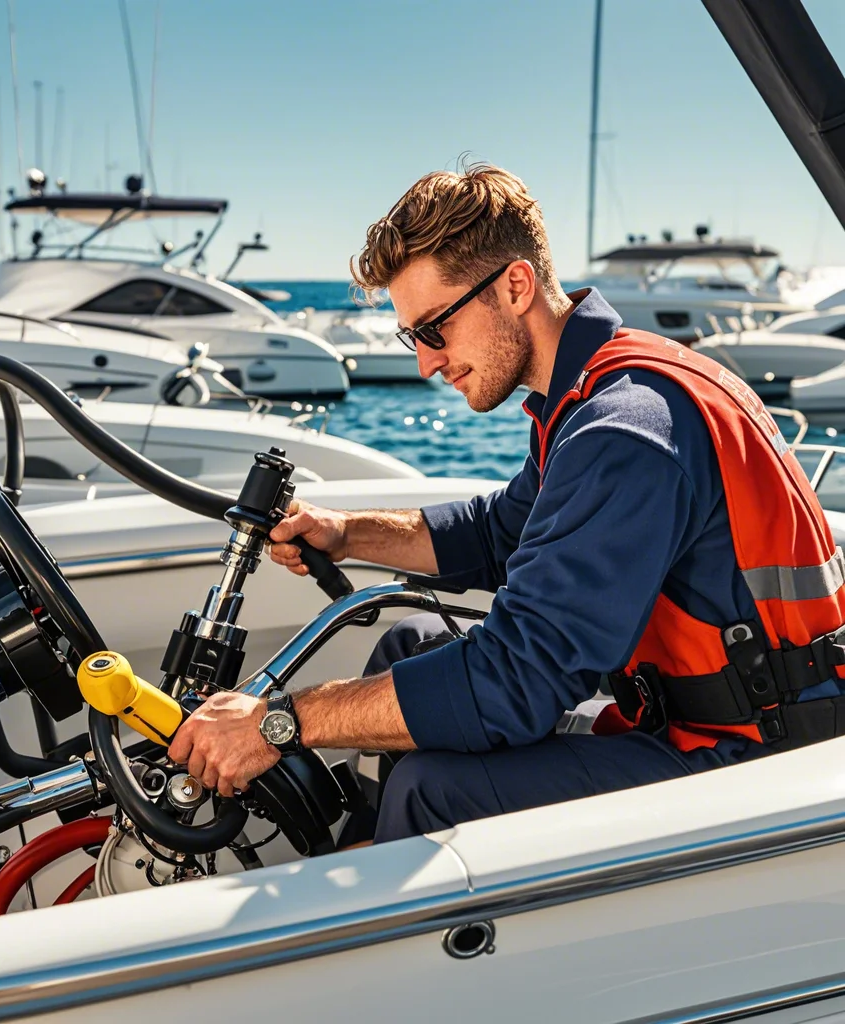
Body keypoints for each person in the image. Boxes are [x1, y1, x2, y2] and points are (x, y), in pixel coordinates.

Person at [168, 163, 845, 844]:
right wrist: (345, 534)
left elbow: (518, 682)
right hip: (692, 720)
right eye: (413, 338)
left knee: (431, 791)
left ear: (515, 285)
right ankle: (364, 863)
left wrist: (281, 720)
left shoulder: (626, 430)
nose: (427, 364)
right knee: (410, 646)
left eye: (435, 329)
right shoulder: (591, 394)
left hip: (757, 757)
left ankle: (382, 934)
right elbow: (500, 533)